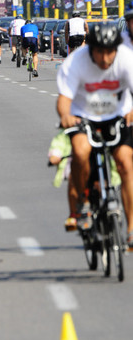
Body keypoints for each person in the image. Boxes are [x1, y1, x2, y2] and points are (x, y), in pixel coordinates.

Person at [57, 21, 133, 248]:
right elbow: (63, 100)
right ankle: (83, 203)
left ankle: (131, 229)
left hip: (118, 115)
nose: (105, 59)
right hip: (84, 116)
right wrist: (66, 116)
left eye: (110, 52)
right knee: (80, 152)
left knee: (125, 163)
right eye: (99, 52)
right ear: (90, 48)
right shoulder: (76, 62)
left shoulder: (126, 59)